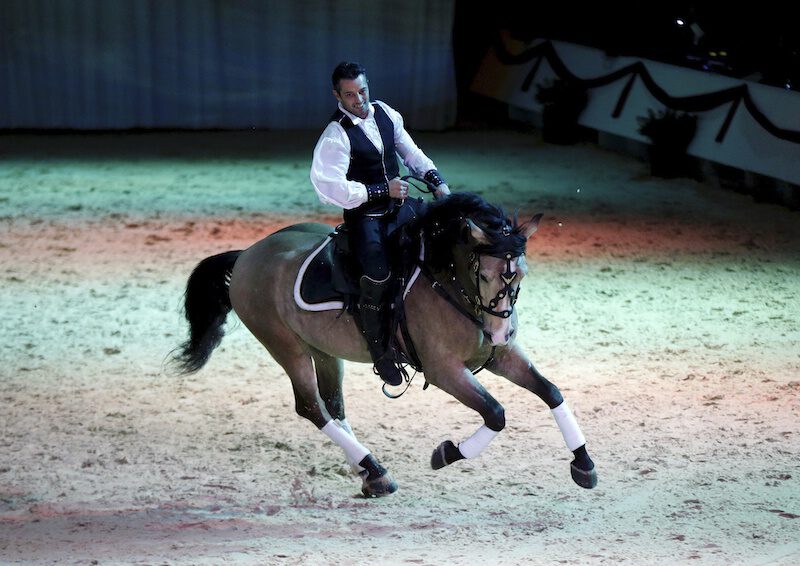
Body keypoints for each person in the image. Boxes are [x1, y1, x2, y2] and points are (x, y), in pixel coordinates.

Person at [310, 61, 450, 386]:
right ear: (337, 95)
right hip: (365, 218)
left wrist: (435, 180)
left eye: (362, 91)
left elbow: (410, 152)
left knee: (442, 235)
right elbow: (330, 188)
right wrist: (380, 190)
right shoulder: (336, 135)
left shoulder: (385, 113)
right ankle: (381, 352)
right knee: (378, 275)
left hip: (399, 207)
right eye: (350, 95)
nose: (359, 99)